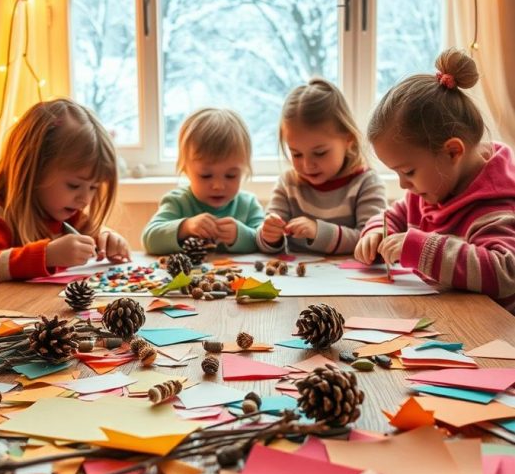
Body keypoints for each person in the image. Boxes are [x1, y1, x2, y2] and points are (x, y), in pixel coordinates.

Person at [354, 48, 515, 312]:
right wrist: (375, 233)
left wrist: (422, 248)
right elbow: (392, 216)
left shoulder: (496, 207)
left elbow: (505, 272)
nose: (404, 185)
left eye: (408, 172)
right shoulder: (427, 191)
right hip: (449, 319)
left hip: (492, 336)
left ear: (453, 152)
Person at [0, 99, 129, 294]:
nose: (85, 200)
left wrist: (105, 237)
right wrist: (46, 255)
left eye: (93, 188)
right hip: (0, 320)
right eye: (74, 185)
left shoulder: (62, 212)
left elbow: (89, 232)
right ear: (34, 169)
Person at [257, 78, 386, 254]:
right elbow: (265, 240)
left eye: (320, 153)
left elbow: (371, 240)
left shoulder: (366, 183)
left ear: (348, 140)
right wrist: (269, 235)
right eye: (296, 154)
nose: (307, 165)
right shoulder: (287, 184)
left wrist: (319, 232)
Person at [142, 108, 264, 254]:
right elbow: (149, 239)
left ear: (244, 170)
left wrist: (240, 234)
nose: (218, 186)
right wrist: (185, 227)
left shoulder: (248, 205)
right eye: (206, 175)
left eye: (231, 175)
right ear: (186, 169)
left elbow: (264, 242)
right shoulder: (177, 202)